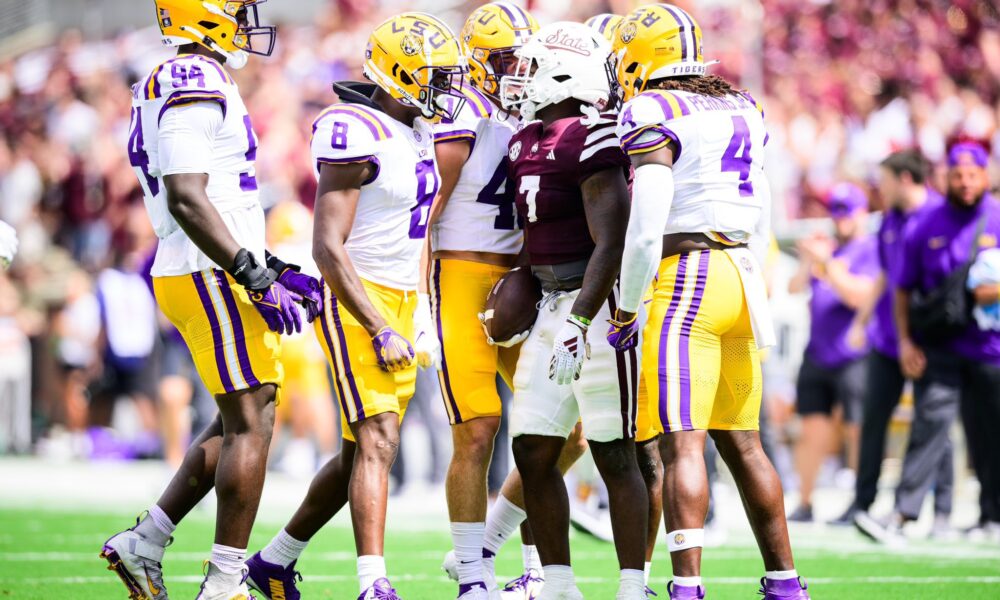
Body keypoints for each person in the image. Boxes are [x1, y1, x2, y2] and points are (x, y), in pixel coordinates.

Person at [99, 2, 322, 599]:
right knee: (255, 418)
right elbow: (188, 197)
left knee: (240, 415)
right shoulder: (192, 78)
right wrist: (251, 270)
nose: (247, 23)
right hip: (208, 268)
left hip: (208, 264)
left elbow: (209, 196)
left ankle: (145, 541)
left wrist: (268, 263)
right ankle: (225, 582)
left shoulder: (187, 78)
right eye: (235, 10)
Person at [244, 13, 466, 600]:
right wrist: (376, 325)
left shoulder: (413, 129)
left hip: (399, 297)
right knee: (379, 438)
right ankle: (374, 583)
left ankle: (273, 561)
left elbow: (414, 235)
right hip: (355, 296)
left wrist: (416, 313)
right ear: (398, 73)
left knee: (355, 455)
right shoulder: (353, 128)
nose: (445, 88)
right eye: (435, 76)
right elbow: (326, 246)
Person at [609, 4, 808, 599]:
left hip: (687, 276)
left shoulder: (652, 108)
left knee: (682, 444)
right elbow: (765, 206)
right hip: (742, 273)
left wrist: (625, 302)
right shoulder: (743, 104)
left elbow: (646, 223)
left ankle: (687, 589)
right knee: (743, 442)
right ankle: (785, 583)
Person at [500, 20, 649, 600]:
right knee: (533, 448)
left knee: (614, 453)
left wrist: (583, 320)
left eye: (531, 67)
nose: (520, 78)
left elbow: (610, 242)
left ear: (564, 74)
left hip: (594, 305)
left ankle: (632, 586)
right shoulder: (522, 140)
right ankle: (560, 586)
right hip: (549, 306)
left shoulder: (594, 137)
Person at [856, 141, 1000, 544]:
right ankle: (902, 514)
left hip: (992, 347)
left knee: (988, 431)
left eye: (973, 175)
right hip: (941, 345)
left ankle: (992, 516)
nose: (966, 183)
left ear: (986, 176)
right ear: (946, 177)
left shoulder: (997, 217)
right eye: (958, 175)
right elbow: (901, 290)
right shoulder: (926, 222)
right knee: (930, 424)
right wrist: (905, 342)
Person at [834, 150, 950, 528]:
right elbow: (885, 275)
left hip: (930, 338)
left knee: (933, 419)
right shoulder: (889, 220)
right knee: (874, 420)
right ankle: (863, 504)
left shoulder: (939, 215)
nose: (878, 189)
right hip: (888, 337)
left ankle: (943, 510)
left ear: (903, 178)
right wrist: (862, 321)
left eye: (884, 180)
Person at [786, 183, 879, 522]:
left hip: (854, 353)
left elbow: (858, 296)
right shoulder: (831, 253)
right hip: (818, 352)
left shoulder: (868, 249)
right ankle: (805, 501)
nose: (839, 220)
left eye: (846, 213)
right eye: (836, 212)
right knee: (811, 429)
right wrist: (809, 262)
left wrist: (828, 264)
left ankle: (859, 501)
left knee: (856, 429)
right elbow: (794, 288)